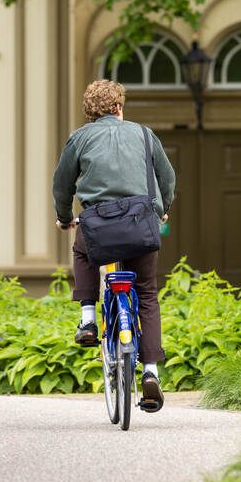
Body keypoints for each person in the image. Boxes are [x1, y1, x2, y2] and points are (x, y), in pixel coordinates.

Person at [52, 79, 175, 412]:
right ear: (119, 108)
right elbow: (168, 178)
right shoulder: (145, 134)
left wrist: (65, 217)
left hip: (99, 226)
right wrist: (161, 211)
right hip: (141, 224)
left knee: (82, 250)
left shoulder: (79, 138)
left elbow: (62, 185)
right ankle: (150, 371)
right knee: (147, 292)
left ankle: (89, 319)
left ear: (91, 113)